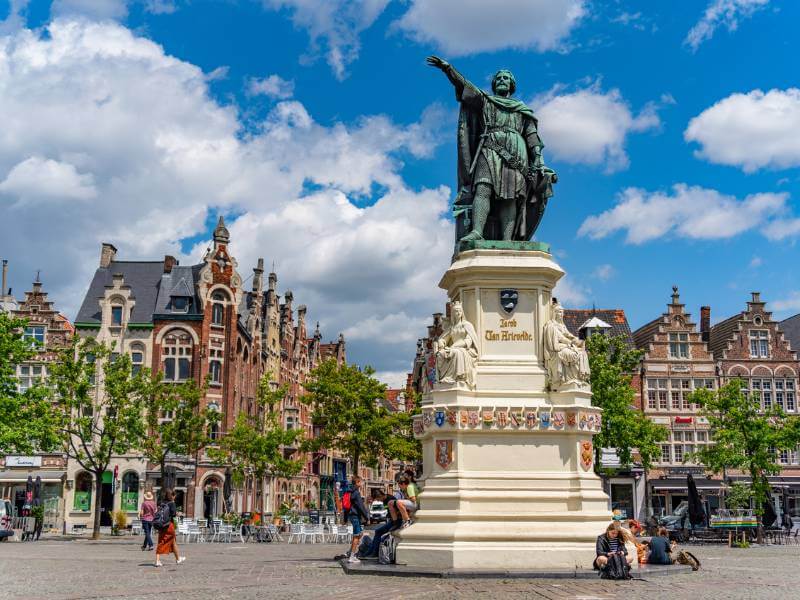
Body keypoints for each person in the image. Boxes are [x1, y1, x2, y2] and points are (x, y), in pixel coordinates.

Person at [363, 490, 402, 559]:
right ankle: (370, 552)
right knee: (378, 532)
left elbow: (398, 510)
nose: (378, 501)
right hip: (391, 521)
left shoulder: (390, 499)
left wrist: (394, 521)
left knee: (378, 532)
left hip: (396, 521)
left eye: (378, 499)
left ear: (380, 496)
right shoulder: (385, 500)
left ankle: (374, 553)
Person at [154, 488, 185, 568]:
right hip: (168, 525)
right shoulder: (172, 503)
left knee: (169, 541)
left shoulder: (161, 502)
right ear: (172, 495)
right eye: (174, 495)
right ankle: (157, 561)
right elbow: (173, 514)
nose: (175, 497)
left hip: (161, 525)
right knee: (165, 541)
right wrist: (178, 513)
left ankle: (178, 558)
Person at [346, 476, 369, 564]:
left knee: (359, 534)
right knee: (357, 535)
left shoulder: (349, 491)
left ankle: (350, 553)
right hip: (355, 516)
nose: (362, 483)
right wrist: (366, 517)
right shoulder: (356, 493)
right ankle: (352, 556)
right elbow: (361, 506)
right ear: (357, 482)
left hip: (352, 515)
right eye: (361, 482)